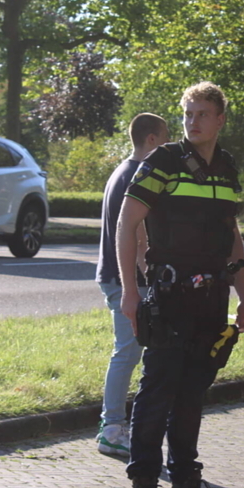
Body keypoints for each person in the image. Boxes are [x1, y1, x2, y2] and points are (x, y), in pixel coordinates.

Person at [116, 81, 244, 488]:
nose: (193, 121)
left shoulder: (227, 169)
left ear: (220, 119)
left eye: (202, 113)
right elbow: (127, 222)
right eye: (188, 113)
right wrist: (131, 291)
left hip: (212, 300)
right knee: (157, 395)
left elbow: (232, 236)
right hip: (169, 298)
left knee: (192, 396)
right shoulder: (164, 161)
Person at [95, 113, 170, 457]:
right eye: (165, 137)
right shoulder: (138, 176)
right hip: (128, 281)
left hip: (115, 276)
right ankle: (112, 429)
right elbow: (139, 239)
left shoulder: (121, 171)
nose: (168, 145)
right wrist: (150, 283)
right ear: (151, 139)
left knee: (130, 352)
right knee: (126, 353)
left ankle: (121, 426)